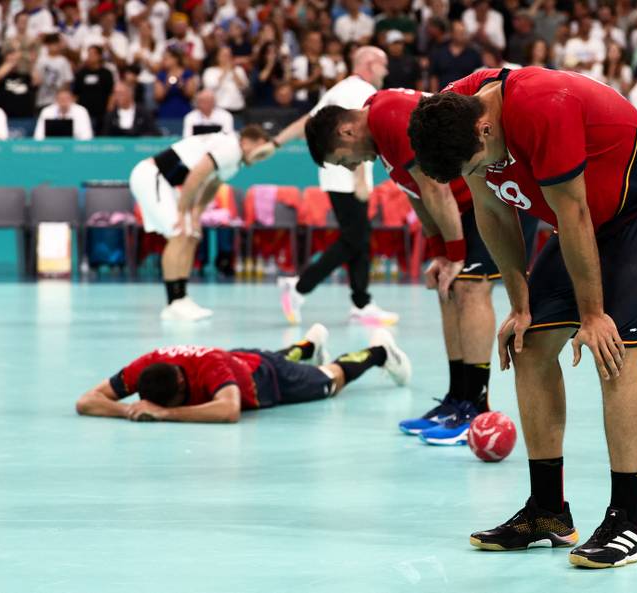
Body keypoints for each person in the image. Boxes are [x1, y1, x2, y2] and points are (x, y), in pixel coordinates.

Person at [408, 66, 637, 568]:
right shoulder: (456, 111)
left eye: (475, 164)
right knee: (530, 345)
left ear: (485, 129)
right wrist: (520, 307)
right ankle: (548, 511)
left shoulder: (545, 105)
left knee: (614, 354)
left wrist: (592, 316)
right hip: (588, 215)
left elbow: (575, 216)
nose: (476, 174)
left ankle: (628, 523)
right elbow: (494, 213)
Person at [304, 88, 537, 445]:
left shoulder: (389, 114)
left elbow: (437, 191)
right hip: (468, 205)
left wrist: (456, 252)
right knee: (448, 288)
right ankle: (457, 399)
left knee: (471, 284)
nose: (351, 167)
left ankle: (476, 404)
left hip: (498, 192)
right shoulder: (380, 136)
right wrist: (440, 253)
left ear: (346, 132)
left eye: (343, 160)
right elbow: (417, 196)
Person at [264, 46, 398, 327]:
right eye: (383, 65)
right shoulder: (358, 91)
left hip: (341, 175)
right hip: (347, 175)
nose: (386, 71)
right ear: (371, 64)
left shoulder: (341, 88)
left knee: (360, 239)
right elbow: (357, 133)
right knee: (354, 239)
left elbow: (309, 121)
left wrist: (277, 142)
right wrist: (361, 178)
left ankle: (361, 303)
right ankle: (299, 287)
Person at [76, 325, 411, 423]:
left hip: (267, 376)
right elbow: (86, 402)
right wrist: (127, 409)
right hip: (242, 360)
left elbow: (229, 409)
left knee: (330, 380)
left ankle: (380, 352)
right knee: (260, 358)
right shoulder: (143, 365)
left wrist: (166, 413)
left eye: (182, 397)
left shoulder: (208, 368)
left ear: (182, 381)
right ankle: (308, 343)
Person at [128, 125, 273, 320]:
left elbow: (212, 185)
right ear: (246, 142)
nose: (261, 156)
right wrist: (182, 211)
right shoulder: (231, 148)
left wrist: (196, 214)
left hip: (167, 183)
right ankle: (172, 303)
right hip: (150, 175)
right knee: (178, 233)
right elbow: (196, 175)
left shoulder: (236, 161)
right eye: (260, 149)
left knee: (192, 236)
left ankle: (182, 297)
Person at [73, 45, 114, 133]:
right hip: (84, 111)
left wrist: (109, 107)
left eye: (93, 54)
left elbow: (111, 92)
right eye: (89, 54)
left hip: (101, 111)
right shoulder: (81, 73)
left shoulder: (106, 73)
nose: (90, 56)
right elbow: (75, 93)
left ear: (99, 56)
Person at [202, 46, 249, 113]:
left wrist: (233, 71)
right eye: (224, 55)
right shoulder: (210, 71)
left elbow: (244, 87)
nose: (227, 58)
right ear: (217, 57)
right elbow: (210, 87)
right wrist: (225, 71)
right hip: (219, 109)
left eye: (229, 55)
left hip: (238, 108)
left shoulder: (239, 70)